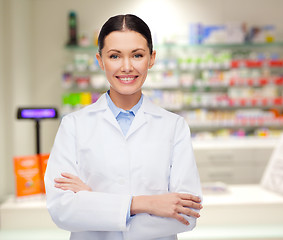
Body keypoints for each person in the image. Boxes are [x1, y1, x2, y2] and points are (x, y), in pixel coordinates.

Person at [44, 14, 202, 240]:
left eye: (137, 55)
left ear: (151, 58)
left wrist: (93, 203)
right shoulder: (74, 126)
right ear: (100, 60)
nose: (127, 67)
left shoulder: (174, 127)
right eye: (115, 56)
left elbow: (187, 215)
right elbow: (62, 210)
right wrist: (145, 204)